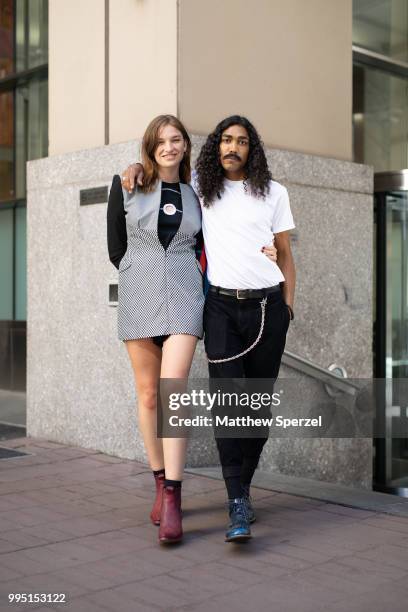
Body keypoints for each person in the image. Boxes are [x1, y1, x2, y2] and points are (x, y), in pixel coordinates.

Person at [121, 115, 292, 543]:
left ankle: (237, 487)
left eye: (242, 141)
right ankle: (221, 497)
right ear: (216, 147)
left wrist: (288, 308)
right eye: (226, 140)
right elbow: (158, 176)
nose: (233, 147)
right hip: (213, 305)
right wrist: (133, 168)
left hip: (259, 306)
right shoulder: (202, 185)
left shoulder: (267, 192)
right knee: (217, 401)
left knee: (254, 409)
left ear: (253, 149)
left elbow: (285, 253)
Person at [107, 114, 205, 545]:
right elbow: (115, 243)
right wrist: (135, 271)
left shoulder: (198, 194)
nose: (169, 146)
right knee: (148, 394)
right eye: (161, 140)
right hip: (139, 291)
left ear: (185, 146)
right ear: (150, 146)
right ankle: (159, 480)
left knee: (172, 388)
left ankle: (174, 498)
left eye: (176, 139)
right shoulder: (127, 184)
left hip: (185, 292)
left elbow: (205, 245)